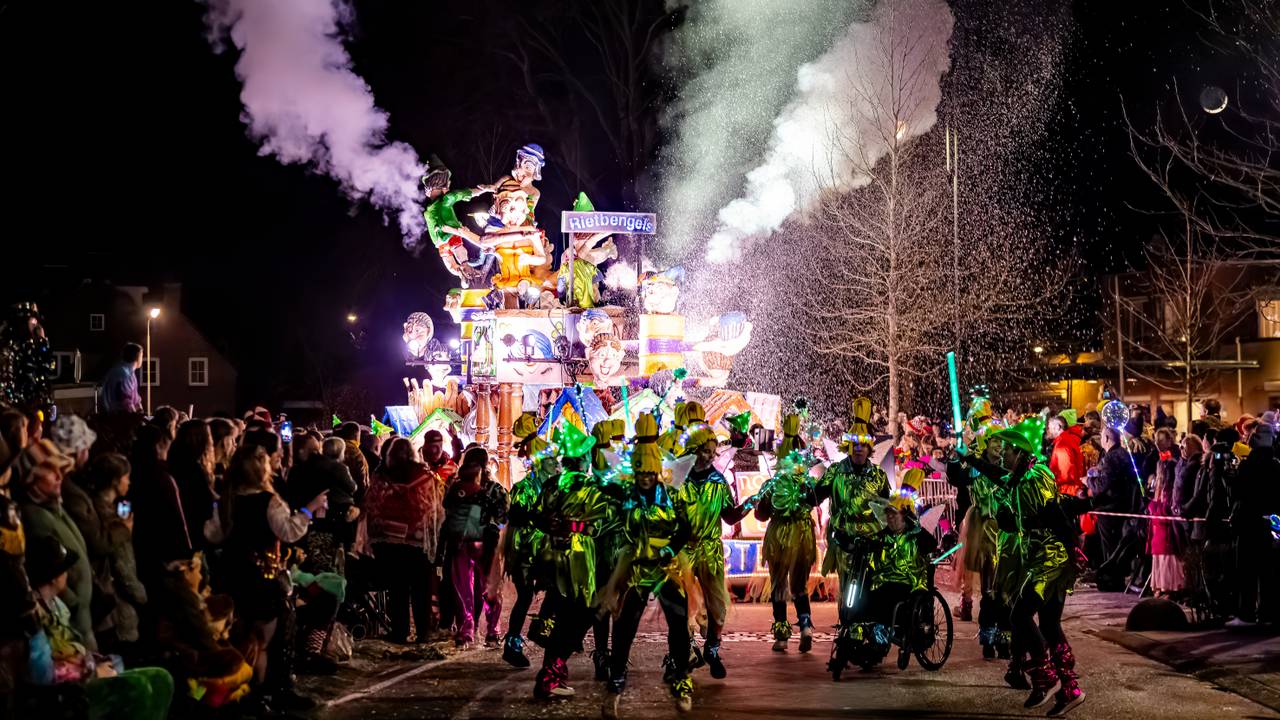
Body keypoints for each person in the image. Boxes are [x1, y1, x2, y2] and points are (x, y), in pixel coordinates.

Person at [598, 412, 694, 717]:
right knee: (625, 625)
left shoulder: (670, 495)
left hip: (666, 567)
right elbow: (602, 496)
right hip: (636, 567)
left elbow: (684, 529)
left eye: (649, 474)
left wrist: (670, 549)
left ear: (656, 471)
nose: (645, 479)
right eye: (640, 474)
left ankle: (681, 676)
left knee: (679, 621)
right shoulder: (624, 495)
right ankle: (615, 680)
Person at [25, 536, 174, 720]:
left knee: (161, 679)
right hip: (67, 693)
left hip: (85, 672)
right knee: (137, 687)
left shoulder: (55, 604)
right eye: (65, 569)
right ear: (55, 578)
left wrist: (98, 664)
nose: (68, 574)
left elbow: (74, 647)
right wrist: (93, 673)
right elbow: (44, 674)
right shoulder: (32, 617)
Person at [819, 397, 891, 677]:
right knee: (849, 595)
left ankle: (873, 642)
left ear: (869, 447)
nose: (859, 450)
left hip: (873, 546)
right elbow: (819, 492)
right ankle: (848, 637)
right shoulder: (836, 471)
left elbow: (888, 511)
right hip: (846, 545)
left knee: (871, 593)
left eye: (863, 445)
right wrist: (804, 492)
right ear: (849, 446)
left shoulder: (877, 477)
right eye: (855, 445)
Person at [674, 425, 751, 679]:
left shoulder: (719, 482)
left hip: (710, 549)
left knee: (718, 607)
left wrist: (749, 504)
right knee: (680, 606)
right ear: (693, 451)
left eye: (712, 452)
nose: (710, 456)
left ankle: (713, 650)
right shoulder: (678, 480)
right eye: (705, 451)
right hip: (683, 550)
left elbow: (729, 517)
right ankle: (683, 653)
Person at [364, 437, 441, 643]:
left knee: (397, 588)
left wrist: (374, 533)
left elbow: (372, 505)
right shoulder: (425, 476)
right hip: (418, 541)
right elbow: (433, 507)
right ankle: (423, 632)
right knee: (420, 589)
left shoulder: (381, 475)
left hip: (390, 541)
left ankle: (400, 631)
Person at [754, 413, 818, 653]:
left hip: (779, 535)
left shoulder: (773, 484)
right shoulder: (806, 483)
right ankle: (805, 626)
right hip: (802, 534)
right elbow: (814, 502)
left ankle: (781, 636)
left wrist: (761, 504)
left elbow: (761, 515)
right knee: (799, 586)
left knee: (779, 585)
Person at [441, 447, 508, 649]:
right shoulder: (496, 488)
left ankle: (465, 631)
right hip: (486, 542)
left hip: (460, 542)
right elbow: (503, 516)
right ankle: (492, 632)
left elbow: (446, 508)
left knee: (462, 588)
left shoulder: (454, 485)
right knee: (490, 587)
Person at [82, 453, 147, 653]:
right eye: (127, 476)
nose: (129, 481)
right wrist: (142, 596)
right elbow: (123, 568)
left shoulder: (91, 509)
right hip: (117, 613)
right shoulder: (113, 523)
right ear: (114, 481)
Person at [501, 413, 550, 668]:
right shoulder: (527, 488)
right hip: (525, 548)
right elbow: (518, 516)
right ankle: (519, 639)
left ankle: (529, 634)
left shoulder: (543, 487)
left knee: (532, 593)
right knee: (526, 594)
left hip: (534, 546)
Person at [1090, 426, 1140, 592]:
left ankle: (1112, 580)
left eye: (1102, 437)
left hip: (1110, 507)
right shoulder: (1124, 454)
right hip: (1124, 506)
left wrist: (1088, 482)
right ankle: (1115, 578)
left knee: (1110, 546)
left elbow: (1104, 485)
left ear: (1106, 439)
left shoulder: (1111, 457)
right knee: (1118, 544)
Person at [98, 343, 143, 415]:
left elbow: (136, 399)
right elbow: (125, 401)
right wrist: (136, 418)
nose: (142, 359)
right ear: (137, 356)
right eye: (141, 356)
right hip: (118, 418)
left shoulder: (128, 372)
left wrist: (140, 411)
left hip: (118, 416)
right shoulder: (124, 374)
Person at [1047, 412, 1085, 498]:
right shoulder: (1072, 438)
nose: (1048, 431)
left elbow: (1066, 476)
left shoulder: (1062, 445)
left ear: (1057, 427)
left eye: (1049, 428)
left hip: (1069, 493)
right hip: (1075, 489)